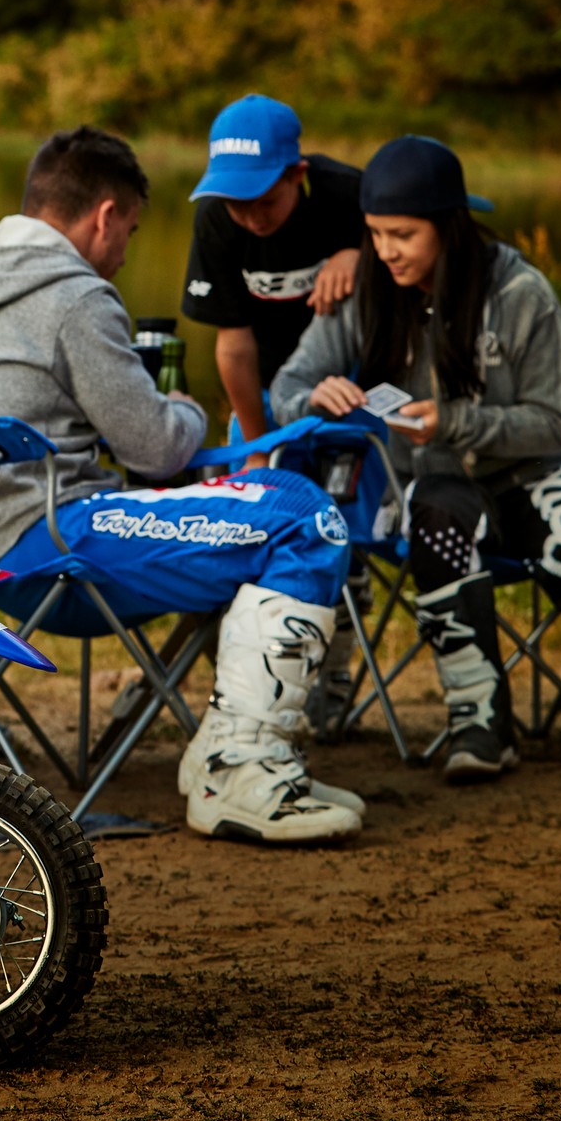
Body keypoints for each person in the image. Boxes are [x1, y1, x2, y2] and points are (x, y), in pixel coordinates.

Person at [0, 126, 363, 844]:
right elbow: (157, 450)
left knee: (276, 511)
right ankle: (238, 770)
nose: (126, 252)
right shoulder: (74, 295)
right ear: (104, 216)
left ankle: (231, 748)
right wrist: (187, 409)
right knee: (303, 518)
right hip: (55, 540)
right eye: (129, 231)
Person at [270, 135, 561, 781]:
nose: (385, 251)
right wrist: (312, 398)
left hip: (533, 477)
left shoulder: (522, 292)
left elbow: (552, 424)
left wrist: (455, 422)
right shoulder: (370, 291)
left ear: (448, 225)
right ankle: (479, 715)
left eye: (403, 234)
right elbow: (288, 386)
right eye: (375, 233)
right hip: (438, 488)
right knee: (435, 515)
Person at [181, 94, 370, 733]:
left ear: (298, 174)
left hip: (350, 395)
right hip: (264, 394)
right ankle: (258, 683)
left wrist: (360, 255)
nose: (249, 216)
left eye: (262, 200)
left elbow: (415, 254)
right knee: (260, 520)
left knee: (348, 537)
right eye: (236, 202)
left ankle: (335, 677)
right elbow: (233, 346)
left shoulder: (349, 195)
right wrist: (259, 447)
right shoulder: (217, 218)